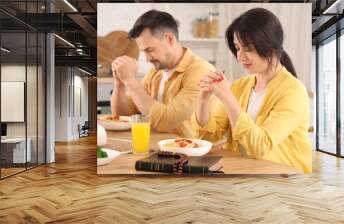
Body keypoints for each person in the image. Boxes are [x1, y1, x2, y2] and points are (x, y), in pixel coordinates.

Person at [192, 8, 312, 173]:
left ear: (270, 46)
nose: (240, 56)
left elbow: (260, 145)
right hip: (243, 174)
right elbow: (206, 137)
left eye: (248, 48)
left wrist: (228, 98)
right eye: (237, 47)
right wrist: (203, 99)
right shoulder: (239, 86)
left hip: (283, 182)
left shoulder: (294, 91)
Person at [111, 10, 214, 138]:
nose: (147, 59)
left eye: (150, 50)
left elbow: (165, 122)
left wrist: (130, 80)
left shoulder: (201, 71)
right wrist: (119, 84)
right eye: (143, 52)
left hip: (192, 155)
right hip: (159, 151)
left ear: (170, 39)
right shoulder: (155, 72)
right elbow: (124, 117)